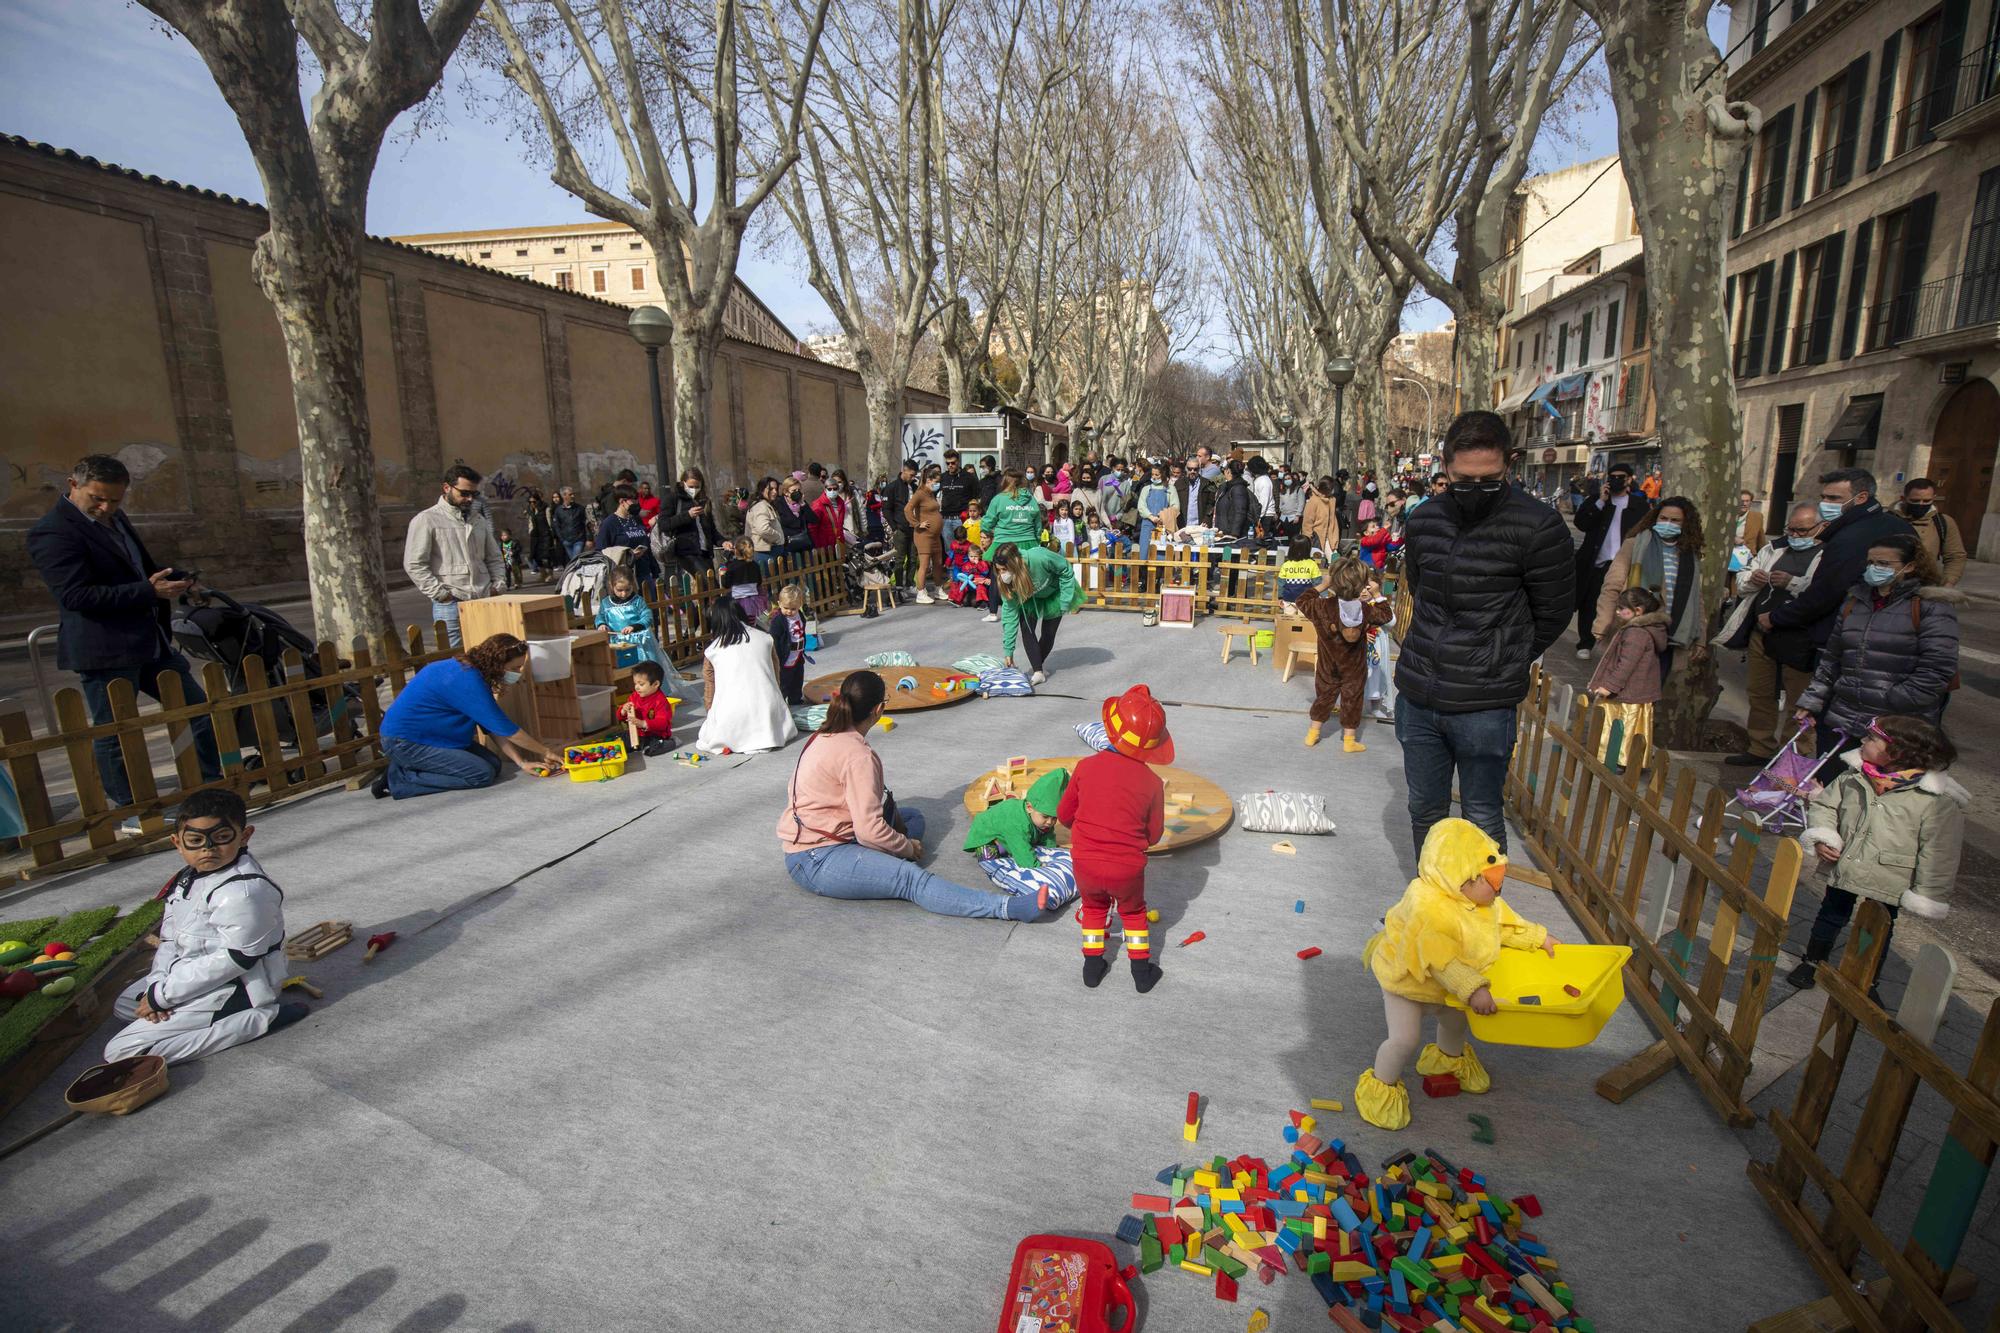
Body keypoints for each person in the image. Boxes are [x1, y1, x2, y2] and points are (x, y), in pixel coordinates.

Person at [1395, 411, 1573, 856]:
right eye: (1463, 480)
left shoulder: (1539, 526)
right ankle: (1432, 912)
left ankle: (1479, 919)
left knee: (1482, 815)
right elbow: (1421, 587)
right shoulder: (1425, 519)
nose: (1476, 491)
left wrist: (1502, 657)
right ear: (1446, 465)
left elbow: (1553, 612)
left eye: (1488, 480)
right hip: (1419, 695)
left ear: (1508, 465)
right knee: (1425, 811)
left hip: (1484, 704)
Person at [27, 454, 224, 820]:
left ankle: (207, 790)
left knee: (195, 710)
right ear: (73, 485)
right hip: (105, 649)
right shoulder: (53, 531)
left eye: (115, 501)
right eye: (97, 499)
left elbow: (140, 570)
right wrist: (148, 592)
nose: (105, 508)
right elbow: (76, 596)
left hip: (149, 641)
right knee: (116, 732)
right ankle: (130, 810)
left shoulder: (116, 518)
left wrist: (177, 579)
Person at [779, 670, 1042, 921]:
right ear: (879, 710)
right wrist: (905, 846)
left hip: (827, 835)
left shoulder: (824, 734)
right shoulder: (858, 756)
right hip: (816, 859)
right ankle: (1008, 908)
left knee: (913, 817)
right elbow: (869, 830)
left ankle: (881, 864)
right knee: (911, 879)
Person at [1355, 818, 1557, 1131]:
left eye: (1499, 879)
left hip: (1448, 989)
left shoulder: (1483, 901)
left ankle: (1446, 1061)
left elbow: (1504, 925)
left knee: (1455, 1021)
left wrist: (1538, 938)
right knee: (1404, 1038)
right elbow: (1440, 961)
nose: (1497, 889)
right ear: (1456, 878)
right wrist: (1474, 989)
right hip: (1409, 982)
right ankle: (1382, 1086)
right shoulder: (1427, 907)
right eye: (1488, 881)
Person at [103, 789, 304, 1064]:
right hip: (192, 975)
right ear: (178, 842)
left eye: (221, 838)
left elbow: (238, 958)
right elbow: (170, 940)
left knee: (120, 1052)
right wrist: (157, 987)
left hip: (239, 986)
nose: (208, 849)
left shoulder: (244, 891)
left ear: (245, 836)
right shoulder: (188, 877)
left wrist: (163, 996)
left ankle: (258, 1019)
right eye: (195, 840)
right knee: (125, 1006)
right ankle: (178, 1017)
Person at [1792, 715, 1965, 999]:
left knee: (1879, 927)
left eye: (1872, 739)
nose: (1863, 741)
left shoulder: (1936, 802)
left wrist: (1928, 893)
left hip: (1890, 875)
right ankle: (1812, 961)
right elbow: (1825, 805)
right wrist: (1823, 835)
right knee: (1831, 914)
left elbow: (1940, 852)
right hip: (1846, 861)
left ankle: (1868, 979)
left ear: (1898, 752)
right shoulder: (1854, 775)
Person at [1793, 531, 1961, 759]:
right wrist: (1812, 700)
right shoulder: (1855, 601)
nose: (1874, 568)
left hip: (1895, 729)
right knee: (1829, 788)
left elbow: (1937, 669)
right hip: (1843, 719)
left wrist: (1892, 699)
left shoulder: (1931, 607)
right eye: (1870, 562)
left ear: (1910, 566)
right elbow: (1832, 659)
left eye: (1883, 563)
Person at [1062, 684, 1172, 992]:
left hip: (1085, 862)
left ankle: (1092, 966)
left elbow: (1064, 814)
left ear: (1110, 731)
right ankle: (1141, 973)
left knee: (1094, 909)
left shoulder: (1085, 767)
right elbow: (1154, 834)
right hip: (1127, 868)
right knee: (1134, 913)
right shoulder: (1152, 783)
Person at [372, 633, 565, 799]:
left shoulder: (471, 671)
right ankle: (399, 779)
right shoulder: (467, 680)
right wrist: (546, 752)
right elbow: (509, 731)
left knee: (493, 764)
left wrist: (521, 762)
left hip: (429, 737)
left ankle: (409, 767)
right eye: (514, 668)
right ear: (498, 664)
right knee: (480, 775)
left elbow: (492, 726)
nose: (518, 673)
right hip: (406, 742)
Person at [1719, 503, 1826, 766]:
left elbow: (1823, 593)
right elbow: (1742, 581)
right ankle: (1760, 747)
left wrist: (1791, 583)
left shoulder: (1828, 554)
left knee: (1798, 701)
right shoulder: (1774, 548)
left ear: (1820, 527)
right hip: (1761, 633)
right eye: (1791, 528)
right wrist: (1751, 579)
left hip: (1799, 638)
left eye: (1802, 530)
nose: (1794, 535)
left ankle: (1792, 757)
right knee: (1760, 692)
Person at [1761, 468, 1914, 653]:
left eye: (1833, 498)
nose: (1825, 504)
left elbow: (1825, 592)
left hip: (1849, 635)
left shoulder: (1848, 538)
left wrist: (1776, 617)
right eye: (1823, 497)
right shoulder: (1897, 525)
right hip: (1890, 633)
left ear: (1861, 498)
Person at [1590, 496, 1708, 680]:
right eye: (1663, 518)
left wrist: (1701, 638)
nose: (1668, 523)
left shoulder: (1689, 554)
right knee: (1621, 688)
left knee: (1650, 693)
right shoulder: (1635, 544)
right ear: (1655, 518)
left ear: (1685, 524)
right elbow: (1612, 585)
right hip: (1634, 631)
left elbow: (1696, 598)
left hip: (1672, 634)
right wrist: (1602, 625)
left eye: (1675, 520)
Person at [1296, 556, 1392, 753]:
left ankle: (1312, 734)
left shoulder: (1321, 607)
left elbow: (1301, 600)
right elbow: (1386, 615)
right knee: (1352, 699)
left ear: (1335, 582)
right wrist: (1377, 593)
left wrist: (1322, 585)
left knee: (1324, 696)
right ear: (1361, 585)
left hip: (1327, 664)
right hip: (1354, 667)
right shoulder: (1366, 610)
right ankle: (1349, 741)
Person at [404, 464, 505, 648]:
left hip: (484, 599)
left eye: (474, 495)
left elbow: (494, 557)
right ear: (447, 488)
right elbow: (414, 564)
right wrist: (441, 594)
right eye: (464, 493)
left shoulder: (478, 520)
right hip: (450, 604)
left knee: (490, 657)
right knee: (455, 660)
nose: (469, 499)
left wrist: (498, 585)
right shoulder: (426, 520)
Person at [1569, 462, 1652, 658]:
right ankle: (1586, 642)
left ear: (1629, 479)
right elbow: (1581, 523)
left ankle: (1615, 645)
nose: (1616, 480)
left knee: (1621, 605)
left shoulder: (1638, 506)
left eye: (1620, 477)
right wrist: (1600, 501)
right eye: (1612, 476)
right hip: (1596, 562)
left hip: (1622, 565)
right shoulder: (1598, 501)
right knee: (1589, 603)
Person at [697, 596, 796, 754]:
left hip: (732, 719)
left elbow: (710, 686)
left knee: (711, 728)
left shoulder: (712, 650)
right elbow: (776, 675)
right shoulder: (765, 638)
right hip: (768, 716)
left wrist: (711, 713)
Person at [963, 767, 1072, 910]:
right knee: (989, 857)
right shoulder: (1017, 822)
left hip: (1010, 833)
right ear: (1029, 807)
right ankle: (1000, 853)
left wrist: (1051, 852)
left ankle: (1005, 848)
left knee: (1035, 839)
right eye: (1046, 816)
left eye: (1054, 818)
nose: (1050, 822)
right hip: (988, 834)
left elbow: (1049, 837)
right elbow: (1022, 852)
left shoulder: (1041, 819)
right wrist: (1038, 869)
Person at [1588, 587, 1668, 768]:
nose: (1616, 612)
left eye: (1621, 608)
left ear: (1638, 611)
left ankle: (1618, 759)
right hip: (1635, 691)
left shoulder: (1636, 633)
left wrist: (1610, 686)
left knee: (1622, 726)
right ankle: (1620, 758)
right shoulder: (1641, 629)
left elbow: (1626, 665)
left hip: (1628, 693)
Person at [992, 540, 1083, 685]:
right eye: (999, 570)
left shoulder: (1040, 557)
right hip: (1029, 597)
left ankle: (1038, 666)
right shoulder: (1006, 582)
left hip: (1055, 593)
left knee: (1048, 632)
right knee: (1027, 629)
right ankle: (1038, 671)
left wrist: (1065, 601)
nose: (1002, 574)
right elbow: (1009, 614)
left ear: (1015, 564)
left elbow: (1065, 569)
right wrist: (1008, 651)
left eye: (1004, 569)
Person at [595, 564, 674, 680]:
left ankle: (651, 694)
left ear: (633, 585)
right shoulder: (606, 603)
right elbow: (600, 616)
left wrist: (634, 627)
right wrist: (602, 624)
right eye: (620, 590)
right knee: (622, 670)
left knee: (644, 672)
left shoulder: (637, 601)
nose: (624, 593)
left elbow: (647, 617)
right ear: (612, 586)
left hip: (639, 643)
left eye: (628, 589)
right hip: (618, 644)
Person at [654, 467, 722, 588]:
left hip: (705, 553)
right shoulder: (673, 499)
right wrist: (687, 515)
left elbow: (711, 530)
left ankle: (706, 607)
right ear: (683, 483)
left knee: (707, 591)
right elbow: (663, 524)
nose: (694, 490)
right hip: (686, 553)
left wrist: (723, 542)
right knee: (712, 587)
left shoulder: (704, 501)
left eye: (697, 486)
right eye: (691, 486)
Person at [1897, 477, 1968, 586]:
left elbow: (1955, 556)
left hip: (1925, 584)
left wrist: (1948, 582)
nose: (1921, 504)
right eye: (1915, 501)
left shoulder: (1943, 522)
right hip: (1890, 585)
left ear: (1934, 498)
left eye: (1926, 501)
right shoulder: (1888, 519)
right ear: (1903, 498)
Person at [906, 462, 946, 603]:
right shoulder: (920, 494)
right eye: (936, 482)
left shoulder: (931, 494)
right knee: (924, 564)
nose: (937, 484)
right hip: (924, 535)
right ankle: (921, 592)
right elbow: (907, 509)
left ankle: (937, 588)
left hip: (935, 536)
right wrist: (917, 524)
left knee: (938, 563)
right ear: (928, 481)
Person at [620, 660, 677, 756]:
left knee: (653, 748)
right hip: (638, 734)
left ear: (655, 684)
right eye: (635, 684)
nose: (637, 688)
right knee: (619, 740)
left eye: (641, 684)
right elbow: (623, 717)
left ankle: (671, 742)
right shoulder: (634, 696)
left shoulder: (660, 701)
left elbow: (662, 723)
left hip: (655, 734)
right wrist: (623, 710)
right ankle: (640, 745)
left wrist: (643, 723)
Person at [768, 582, 810, 705]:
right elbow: (774, 639)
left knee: (797, 679)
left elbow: (801, 631)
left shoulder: (800, 616)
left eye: (793, 609)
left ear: (799, 606)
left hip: (798, 655)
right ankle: (781, 703)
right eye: (786, 608)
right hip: (785, 657)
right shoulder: (778, 621)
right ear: (779, 604)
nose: (789, 611)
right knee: (784, 682)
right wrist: (777, 659)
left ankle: (795, 699)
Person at [884, 459, 918, 592]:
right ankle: (898, 585)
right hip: (900, 528)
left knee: (913, 558)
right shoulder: (892, 487)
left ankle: (910, 584)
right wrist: (895, 527)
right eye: (911, 475)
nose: (913, 478)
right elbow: (886, 509)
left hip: (913, 528)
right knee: (899, 558)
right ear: (904, 471)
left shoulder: (914, 487)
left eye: (915, 475)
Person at [1728, 489, 1766, 596]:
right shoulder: (1728, 516)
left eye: (1747, 501)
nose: (1744, 503)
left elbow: (1760, 538)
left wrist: (1763, 555)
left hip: (1747, 557)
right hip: (1729, 556)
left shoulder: (1757, 517)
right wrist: (1732, 538)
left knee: (1740, 588)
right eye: (1741, 501)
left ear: (1751, 502)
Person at [745, 476, 786, 573]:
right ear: (762, 489)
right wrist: (778, 537)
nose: (775, 492)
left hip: (769, 552)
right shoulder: (761, 506)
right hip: (765, 552)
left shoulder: (766, 505)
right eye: (771, 489)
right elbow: (763, 529)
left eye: (776, 489)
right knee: (769, 584)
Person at [721, 538, 768, 621]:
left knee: (739, 624)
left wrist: (724, 571)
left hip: (737, 602)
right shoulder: (755, 565)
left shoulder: (731, 566)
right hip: (753, 601)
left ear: (735, 551)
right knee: (752, 622)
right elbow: (759, 582)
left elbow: (726, 584)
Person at [938, 449, 977, 549]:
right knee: (949, 549)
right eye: (947, 463)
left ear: (958, 462)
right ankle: (952, 565)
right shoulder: (942, 477)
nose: (950, 465)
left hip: (961, 519)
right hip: (946, 519)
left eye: (953, 463)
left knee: (964, 548)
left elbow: (976, 497)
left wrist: (970, 513)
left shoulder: (969, 477)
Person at [524, 490, 561, 581]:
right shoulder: (530, 510)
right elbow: (530, 522)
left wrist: (552, 533)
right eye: (530, 502)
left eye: (534, 501)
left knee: (547, 555)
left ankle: (550, 574)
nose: (532, 503)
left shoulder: (545, 508)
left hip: (545, 534)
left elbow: (549, 521)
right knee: (535, 555)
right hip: (535, 536)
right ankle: (543, 573)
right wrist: (530, 530)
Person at [1302, 475, 1341, 555]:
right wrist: (1308, 538)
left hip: (1330, 536)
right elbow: (1307, 522)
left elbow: (1333, 519)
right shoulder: (1314, 501)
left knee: (1334, 559)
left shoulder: (1332, 500)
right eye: (1331, 488)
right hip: (1316, 537)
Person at [550, 485, 592, 561]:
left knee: (575, 560)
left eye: (573, 494)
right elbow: (556, 526)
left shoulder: (580, 508)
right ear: (563, 496)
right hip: (566, 541)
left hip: (579, 540)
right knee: (574, 562)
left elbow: (587, 524)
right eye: (570, 494)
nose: (572, 496)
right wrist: (562, 539)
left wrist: (589, 538)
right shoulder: (558, 511)